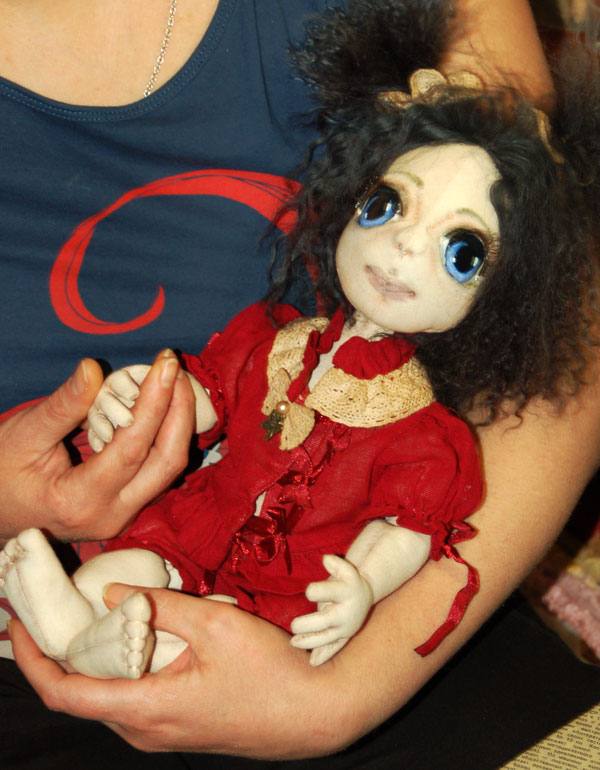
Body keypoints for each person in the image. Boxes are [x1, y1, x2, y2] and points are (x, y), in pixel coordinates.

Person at [1, 0, 598, 767]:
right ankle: (76, 631)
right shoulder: (273, 343)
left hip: (325, 614)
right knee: (132, 582)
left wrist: (348, 665)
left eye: (458, 252)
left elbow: (560, 351)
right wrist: (142, 403)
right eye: (386, 207)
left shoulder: (425, 436)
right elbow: (208, 392)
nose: (401, 248)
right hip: (179, 536)